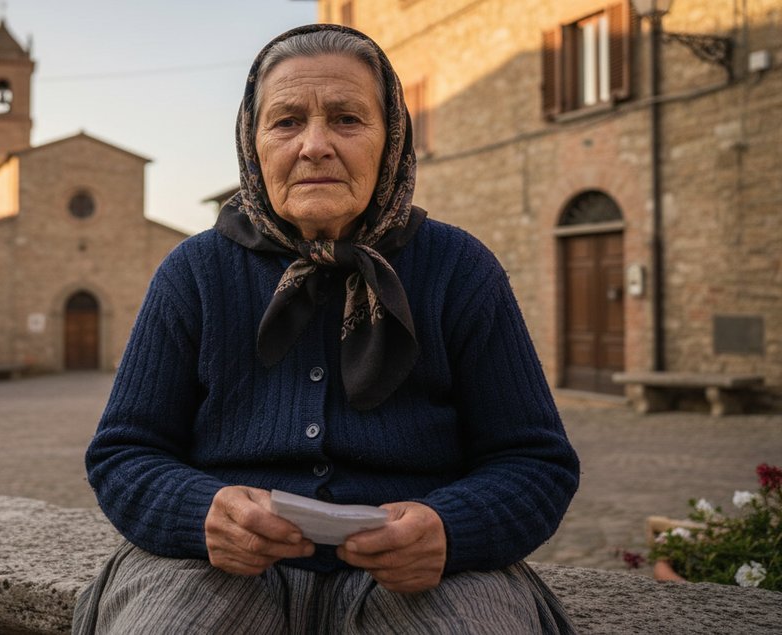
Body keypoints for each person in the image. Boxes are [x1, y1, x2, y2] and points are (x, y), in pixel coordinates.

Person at [74, 23, 580, 634]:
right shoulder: (195, 272)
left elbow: (535, 461)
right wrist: (201, 513)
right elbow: (125, 451)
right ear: (252, 143)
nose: (314, 145)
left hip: (428, 576)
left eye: (346, 119)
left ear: (390, 138)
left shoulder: (459, 269)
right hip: (215, 568)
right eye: (286, 122)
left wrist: (450, 528)